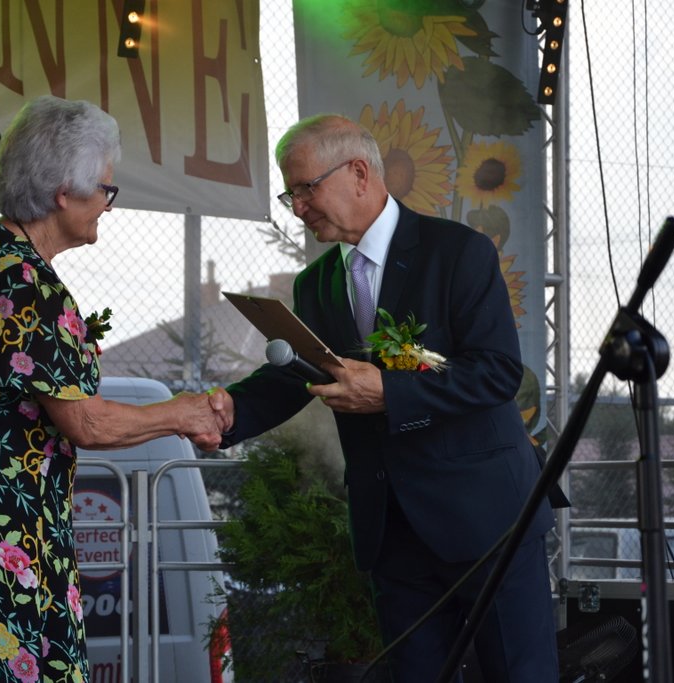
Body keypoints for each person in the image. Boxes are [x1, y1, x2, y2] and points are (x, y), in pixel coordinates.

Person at [208, 114, 559, 682]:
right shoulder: (316, 283)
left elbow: (497, 373)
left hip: (488, 522)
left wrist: (390, 392)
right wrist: (228, 412)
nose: (298, 208)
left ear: (359, 173)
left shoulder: (458, 252)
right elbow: (300, 376)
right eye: (290, 194)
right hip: (392, 532)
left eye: (305, 189)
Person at [0, 96, 228, 681]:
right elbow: (87, 423)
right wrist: (181, 413)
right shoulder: (32, 290)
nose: (109, 204)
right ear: (63, 193)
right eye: (105, 188)